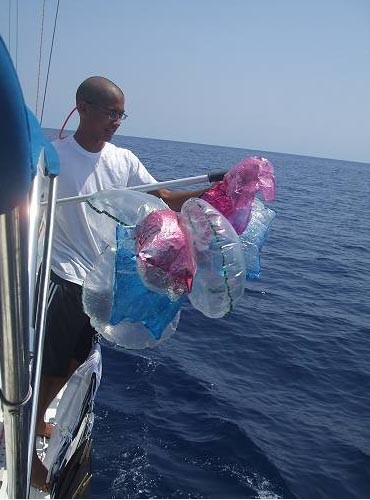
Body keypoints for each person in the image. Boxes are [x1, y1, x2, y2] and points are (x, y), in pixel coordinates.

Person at [31, 76, 206, 490]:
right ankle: (21, 435)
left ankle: (35, 421)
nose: (116, 121)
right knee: (58, 362)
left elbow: (160, 197)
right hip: (63, 274)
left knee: (76, 358)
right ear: (82, 107)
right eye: (110, 112)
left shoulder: (123, 160)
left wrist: (209, 191)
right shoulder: (52, 158)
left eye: (120, 114)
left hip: (98, 278)